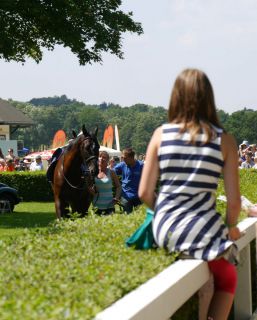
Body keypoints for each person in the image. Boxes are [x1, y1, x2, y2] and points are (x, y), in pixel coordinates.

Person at [138, 69, 241, 320]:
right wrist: (232, 226)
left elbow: (143, 192)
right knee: (228, 278)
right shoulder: (224, 140)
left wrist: (164, 211)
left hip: (166, 230)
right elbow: (234, 202)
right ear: (209, 97)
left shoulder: (161, 134)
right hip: (203, 230)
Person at [114, 147, 144, 213]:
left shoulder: (141, 165)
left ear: (131, 157)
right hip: (126, 196)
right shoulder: (122, 165)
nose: (123, 159)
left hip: (138, 196)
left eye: (124, 158)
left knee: (140, 216)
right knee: (127, 216)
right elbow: (111, 172)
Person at [93, 151, 121, 215]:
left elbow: (119, 186)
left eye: (104, 157)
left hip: (109, 206)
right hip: (96, 206)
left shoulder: (111, 172)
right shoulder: (93, 172)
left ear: (108, 160)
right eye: (100, 157)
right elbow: (89, 187)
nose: (101, 158)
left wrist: (116, 197)